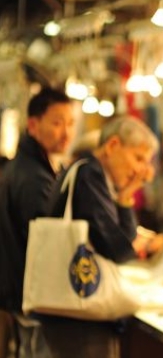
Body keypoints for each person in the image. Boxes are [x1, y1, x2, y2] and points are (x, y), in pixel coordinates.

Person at [36, 115, 159, 358]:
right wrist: (126, 197)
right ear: (112, 145)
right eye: (138, 158)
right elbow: (119, 249)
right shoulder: (89, 175)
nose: (141, 171)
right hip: (78, 319)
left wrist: (126, 194)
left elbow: (120, 243)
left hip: (75, 314)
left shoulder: (91, 175)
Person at [0, 88, 74, 358]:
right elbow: (49, 244)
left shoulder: (27, 166)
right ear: (33, 125)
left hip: (19, 294)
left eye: (70, 123)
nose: (66, 132)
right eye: (57, 123)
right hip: (31, 297)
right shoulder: (33, 177)